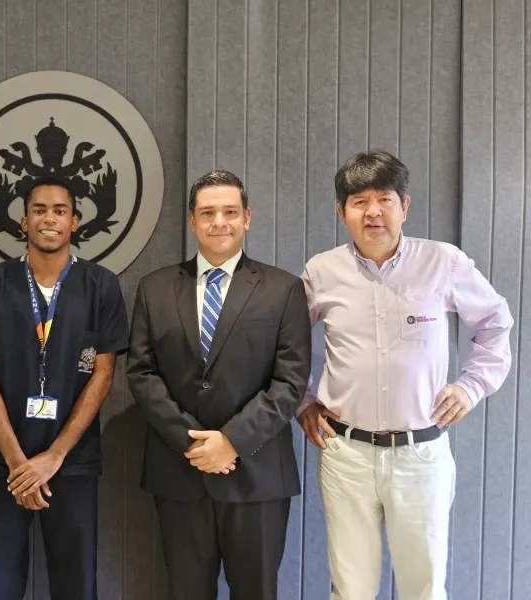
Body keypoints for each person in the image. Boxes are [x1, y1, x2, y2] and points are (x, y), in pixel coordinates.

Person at [297, 150, 514, 600]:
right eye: (359, 201)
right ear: (342, 212)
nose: (373, 211)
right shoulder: (322, 271)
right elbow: (283, 344)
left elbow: (496, 323)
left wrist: (472, 385)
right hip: (345, 453)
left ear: (404, 206)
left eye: (384, 198)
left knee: (424, 589)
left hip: (421, 455)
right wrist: (302, 402)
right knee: (351, 590)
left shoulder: (443, 262)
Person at [126, 170, 312, 600]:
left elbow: (289, 380)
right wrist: (191, 443)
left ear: (247, 217)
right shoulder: (154, 289)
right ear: (191, 220)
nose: (219, 222)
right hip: (179, 473)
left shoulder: (283, 290)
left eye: (230, 212)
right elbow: (141, 373)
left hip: (257, 475)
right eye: (207, 213)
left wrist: (230, 441)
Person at [0, 176, 128, 600]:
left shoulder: (101, 285)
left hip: (71, 463)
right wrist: (20, 465)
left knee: (76, 584)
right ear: (23, 221)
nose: (48, 219)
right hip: (2, 465)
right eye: (39, 210)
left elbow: (102, 377)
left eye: (59, 211)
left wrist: (52, 457)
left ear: (75, 221)